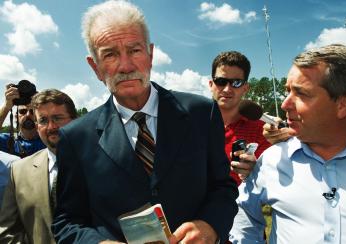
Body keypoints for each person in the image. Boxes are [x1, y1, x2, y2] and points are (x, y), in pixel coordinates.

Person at [51, 1, 237, 243]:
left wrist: (210, 225)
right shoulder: (76, 138)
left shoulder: (202, 113)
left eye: (135, 50)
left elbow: (223, 187)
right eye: (110, 54)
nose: (126, 65)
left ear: (150, 55)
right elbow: (67, 221)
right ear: (95, 66)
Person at [229, 44, 346, 243]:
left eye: (301, 94)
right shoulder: (272, 159)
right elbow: (244, 213)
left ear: (343, 105)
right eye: (287, 91)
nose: (285, 104)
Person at [0, 89, 78, 244]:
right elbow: (8, 231)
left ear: (74, 120)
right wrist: (7, 106)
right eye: (42, 120)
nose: (51, 126)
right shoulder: (16, 169)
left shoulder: (99, 160)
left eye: (57, 118)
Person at [208, 51, 271, 185]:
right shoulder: (192, 124)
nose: (227, 89)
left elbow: (271, 178)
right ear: (210, 85)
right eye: (220, 81)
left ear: (246, 88)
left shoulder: (263, 130)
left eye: (236, 83)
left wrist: (256, 171)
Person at [0, 83, 45, 157]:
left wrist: (44, 105)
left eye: (32, 111)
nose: (27, 115)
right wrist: (6, 107)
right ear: (16, 117)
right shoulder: (7, 141)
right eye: (22, 111)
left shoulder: (48, 140)